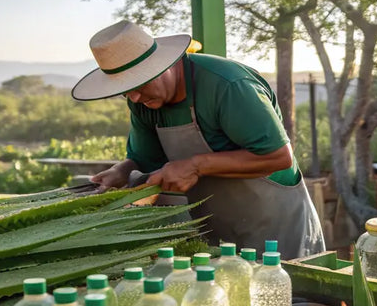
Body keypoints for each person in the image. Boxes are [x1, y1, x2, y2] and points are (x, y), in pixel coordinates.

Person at [71, 20, 325, 258]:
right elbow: (144, 159)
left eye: (138, 85)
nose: (134, 98)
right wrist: (122, 170)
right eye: (125, 91)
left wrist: (195, 165)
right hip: (217, 234)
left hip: (275, 229)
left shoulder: (229, 85)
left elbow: (278, 157)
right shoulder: (142, 102)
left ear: (165, 65)